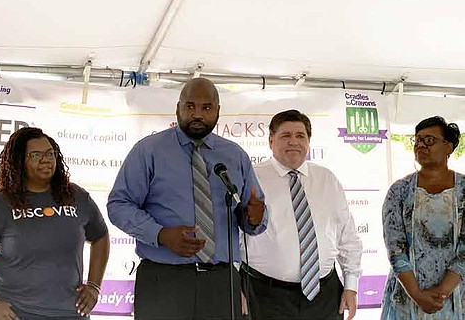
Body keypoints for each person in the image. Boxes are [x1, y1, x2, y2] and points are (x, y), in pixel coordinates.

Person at [107, 77, 267, 320]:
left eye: (206, 107)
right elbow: (119, 205)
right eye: (190, 106)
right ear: (178, 108)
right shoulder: (149, 150)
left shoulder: (235, 156)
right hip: (164, 279)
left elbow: (253, 216)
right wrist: (160, 234)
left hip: (221, 282)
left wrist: (254, 218)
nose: (197, 115)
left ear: (218, 111)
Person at [0, 127, 110, 320]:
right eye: (35, 155)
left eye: (50, 153)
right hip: (15, 314)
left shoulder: (76, 197)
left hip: (69, 313)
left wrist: (94, 286)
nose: (46, 159)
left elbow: (100, 236)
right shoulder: (0, 204)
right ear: (19, 161)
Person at [241, 109, 362, 320]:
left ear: (308, 141)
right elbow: (233, 236)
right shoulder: (251, 178)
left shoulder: (327, 179)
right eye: (285, 136)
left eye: (300, 136)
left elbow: (347, 236)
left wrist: (351, 286)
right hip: (265, 296)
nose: (293, 142)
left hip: (324, 295)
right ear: (271, 141)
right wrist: (236, 288)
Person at [381, 116, 464, 319]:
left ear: (449, 147)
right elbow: (395, 247)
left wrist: (442, 293)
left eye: (429, 140)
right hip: (407, 294)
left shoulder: (463, 189)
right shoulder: (399, 190)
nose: (421, 145)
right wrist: (417, 294)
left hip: (456, 295)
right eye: (417, 140)